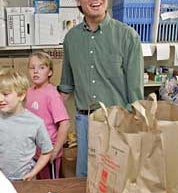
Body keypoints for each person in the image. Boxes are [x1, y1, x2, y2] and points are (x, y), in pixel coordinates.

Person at [57, 0, 144, 177]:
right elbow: (66, 86)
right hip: (85, 122)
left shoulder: (127, 36)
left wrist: (134, 129)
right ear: (78, 1)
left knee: (116, 179)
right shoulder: (71, 38)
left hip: (117, 122)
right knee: (85, 179)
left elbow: (136, 93)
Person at [0, 68, 53, 181]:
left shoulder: (35, 122)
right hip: (0, 180)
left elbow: (47, 151)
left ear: (21, 95)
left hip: (26, 181)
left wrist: (33, 173)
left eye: (5, 94)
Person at [25, 51, 70, 179]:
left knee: (50, 186)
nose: (36, 71)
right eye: (32, 68)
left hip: (49, 152)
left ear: (50, 72)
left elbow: (65, 123)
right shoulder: (29, 91)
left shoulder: (52, 94)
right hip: (35, 151)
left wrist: (55, 151)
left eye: (41, 67)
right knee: (39, 184)